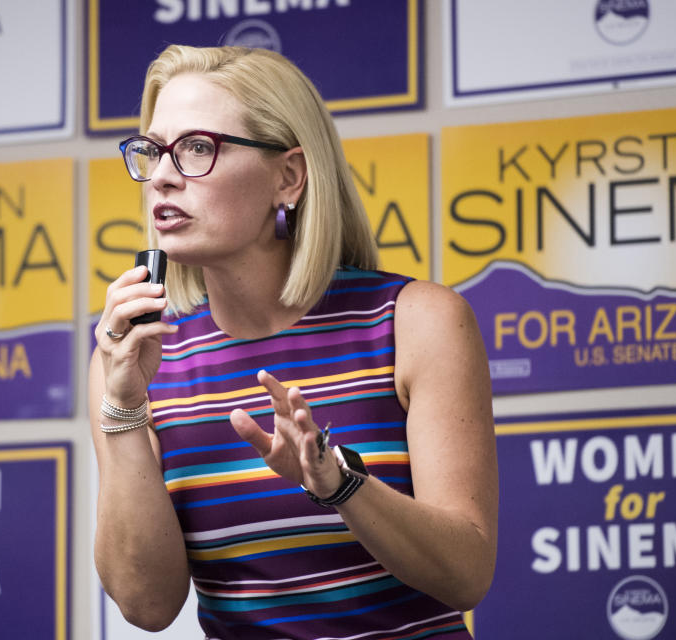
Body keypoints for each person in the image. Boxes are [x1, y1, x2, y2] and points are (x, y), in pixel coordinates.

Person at [89, 44, 498, 640]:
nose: (164, 177)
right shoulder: (131, 357)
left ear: (288, 177)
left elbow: (467, 574)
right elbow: (146, 606)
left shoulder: (417, 323)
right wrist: (123, 407)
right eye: (153, 152)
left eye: (198, 148)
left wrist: (339, 485)